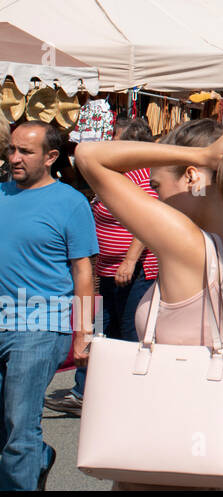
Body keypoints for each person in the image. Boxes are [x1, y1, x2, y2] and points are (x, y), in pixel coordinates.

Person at [74, 104, 223, 489]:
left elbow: (89, 156)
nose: (155, 199)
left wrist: (195, 154)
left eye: (156, 187)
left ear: (192, 176)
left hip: (167, 457)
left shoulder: (186, 246)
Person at [0, 123, 96, 489]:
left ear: (51, 157)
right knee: (6, 429)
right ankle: (39, 458)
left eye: (25, 151)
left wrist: (84, 333)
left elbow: (84, 272)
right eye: (12, 150)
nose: (14, 158)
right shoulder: (1, 193)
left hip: (40, 325)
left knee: (20, 425)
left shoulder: (70, 202)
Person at [46, 118, 157, 418]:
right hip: (103, 268)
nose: (107, 143)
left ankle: (133, 395)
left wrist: (131, 259)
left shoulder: (142, 174)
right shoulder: (111, 173)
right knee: (96, 328)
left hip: (134, 270)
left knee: (128, 332)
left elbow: (150, 219)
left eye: (114, 139)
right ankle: (83, 391)